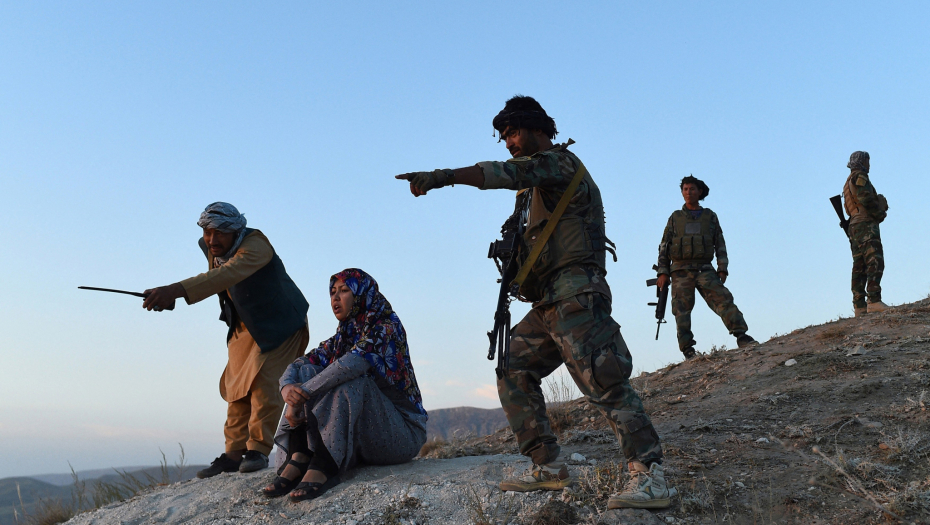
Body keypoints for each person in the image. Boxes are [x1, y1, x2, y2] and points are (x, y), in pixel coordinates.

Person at [395, 96, 675, 509]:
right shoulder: (532, 187)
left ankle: (652, 476)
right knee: (513, 368)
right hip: (548, 301)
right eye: (504, 135)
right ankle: (548, 467)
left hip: (576, 294)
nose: (508, 142)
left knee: (603, 380)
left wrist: (444, 177)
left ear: (535, 128)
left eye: (512, 132)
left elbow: (504, 173)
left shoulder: (557, 164)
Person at [142, 202, 310, 478]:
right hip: (245, 326)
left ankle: (257, 450)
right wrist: (172, 298)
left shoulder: (257, 246)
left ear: (235, 231)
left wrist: (175, 290)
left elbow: (225, 274)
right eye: (207, 233)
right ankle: (233, 454)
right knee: (236, 387)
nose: (211, 240)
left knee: (264, 383)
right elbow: (217, 281)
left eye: (219, 233)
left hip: (281, 323)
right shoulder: (211, 247)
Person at [262, 269, 427, 502]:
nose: (335, 298)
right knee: (309, 370)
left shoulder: (386, 327)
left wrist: (303, 395)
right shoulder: (344, 335)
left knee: (352, 381)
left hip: (402, 435)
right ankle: (301, 453)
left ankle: (324, 464)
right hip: (369, 434)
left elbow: (352, 364)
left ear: (361, 295)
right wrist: (287, 388)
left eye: (344, 290)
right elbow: (300, 364)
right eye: (332, 292)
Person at [654, 176, 756, 360]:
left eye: (692, 189)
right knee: (681, 310)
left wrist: (722, 267)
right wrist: (663, 272)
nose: (688, 192)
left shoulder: (710, 216)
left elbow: (719, 243)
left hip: (704, 269)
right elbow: (664, 246)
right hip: (680, 270)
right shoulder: (675, 218)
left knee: (723, 299)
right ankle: (688, 350)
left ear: (699, 192)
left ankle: (742, 335)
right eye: (685, 189)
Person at [842, 151, 890, 316]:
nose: (869, 165)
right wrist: (880, 211)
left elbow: (848, 208)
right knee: (875, 260)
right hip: (865, 224)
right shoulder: (860, 176)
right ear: (862, 162)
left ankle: (859, 306)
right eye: (867, 161)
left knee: (859, 266)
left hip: (854, 227)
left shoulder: (847, 183)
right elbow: (865, 198)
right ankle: (874, 300)